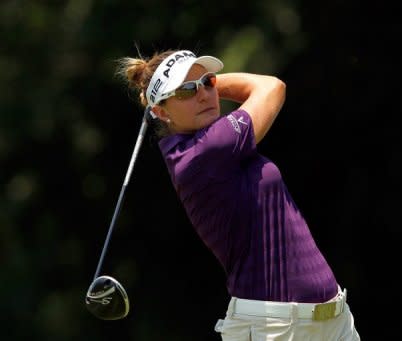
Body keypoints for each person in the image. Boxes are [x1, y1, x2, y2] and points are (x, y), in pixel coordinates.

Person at [116, 48, 361, 340]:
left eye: (209, 83)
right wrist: (207, 83)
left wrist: (197, 84)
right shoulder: (205, 152)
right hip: (276, 329)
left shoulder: (204, 144)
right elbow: (271, 87)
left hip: (334, 322)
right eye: (186, 92)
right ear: (160, 112)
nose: (205, 95)